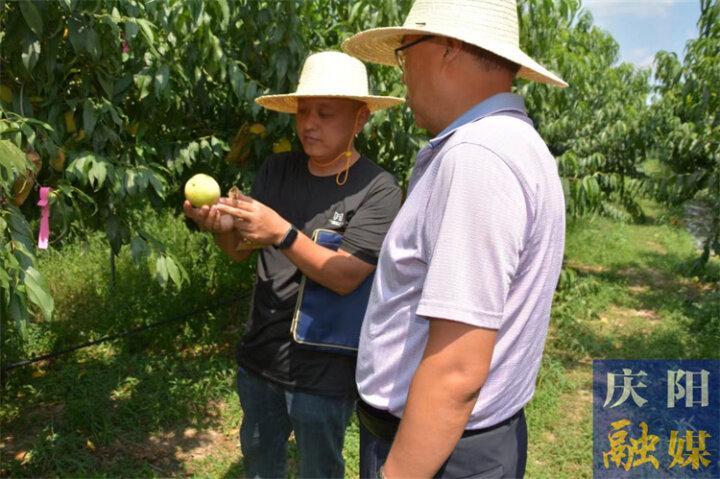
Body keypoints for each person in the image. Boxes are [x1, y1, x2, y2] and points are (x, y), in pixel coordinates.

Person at [341, 0, 568, 477]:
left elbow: (456, 371)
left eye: (405, 53)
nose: (401, 75)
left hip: (436, 453)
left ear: (448, 49)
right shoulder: (516, 144)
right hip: (460, 443)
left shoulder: (478, 157)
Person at [183, 51, 403, 478]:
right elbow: (239, 250)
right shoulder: (278, 170)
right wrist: (219, 226)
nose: (309, 124)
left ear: (360, 119)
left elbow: (345, 276)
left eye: (325, 113)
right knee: (262, 466)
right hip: (260, 357)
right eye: (303, 112)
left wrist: (282, 232)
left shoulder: (377, 189)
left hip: (322, 372)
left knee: (319, 470)